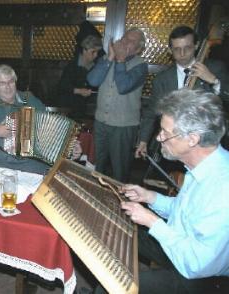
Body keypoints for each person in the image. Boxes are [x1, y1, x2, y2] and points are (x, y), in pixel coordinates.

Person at [118, 89, 229, 293]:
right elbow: (184, 213)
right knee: (117, 231)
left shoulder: (223, 189)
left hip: (203, 277)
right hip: (181, 244)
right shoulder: (201, 167)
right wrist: (149, 197)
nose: (159, 138)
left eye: (165, 133)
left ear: (192, 139)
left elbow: (197, 265)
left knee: (118, 287)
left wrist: (151, 221)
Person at [136, 25, 229, 158]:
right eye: (177, 49)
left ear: (196, 46)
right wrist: (143, 140)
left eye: (188, 47)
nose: (182, 53)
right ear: (170, 50)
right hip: (173, 145)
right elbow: (152, 111)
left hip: (206, 146)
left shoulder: (215, 68)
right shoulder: (161, 79)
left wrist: (214, 81)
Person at [86, 28, 148, 182]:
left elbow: (124, 86)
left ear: (139, 49)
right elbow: (92, 81)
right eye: (124, 38)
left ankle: (119, 202)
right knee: (97, 166)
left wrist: (119, 60)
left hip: (124, 126)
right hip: (101, 123)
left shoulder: (141, 66)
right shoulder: (108, 59)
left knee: (119, 170)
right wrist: (109, 58)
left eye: (131, 41)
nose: (125, 42)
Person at [56, 34, 103, 117]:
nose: (96, 55)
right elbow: (62, 86)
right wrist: (79, 91)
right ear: (84, 50)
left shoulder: (95, 66)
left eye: (97, 52)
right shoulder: (72, 65)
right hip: (68, 108)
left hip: (86, 108)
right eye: (93, 52)